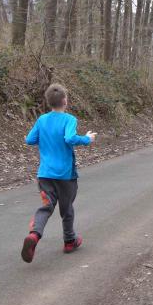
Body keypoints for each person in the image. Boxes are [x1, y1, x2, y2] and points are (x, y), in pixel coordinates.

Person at [21, 84, 98, 263]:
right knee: (66, 207)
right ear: (64, 101)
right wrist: (87, 139)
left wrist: (46, 138)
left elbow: (30, 139)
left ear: (48, 102)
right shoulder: (69, 119)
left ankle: (34, 235)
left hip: (45, 174)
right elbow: (69, 138)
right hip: (65, 175)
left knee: (46, 207)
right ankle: (69, 241)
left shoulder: (42, 120)